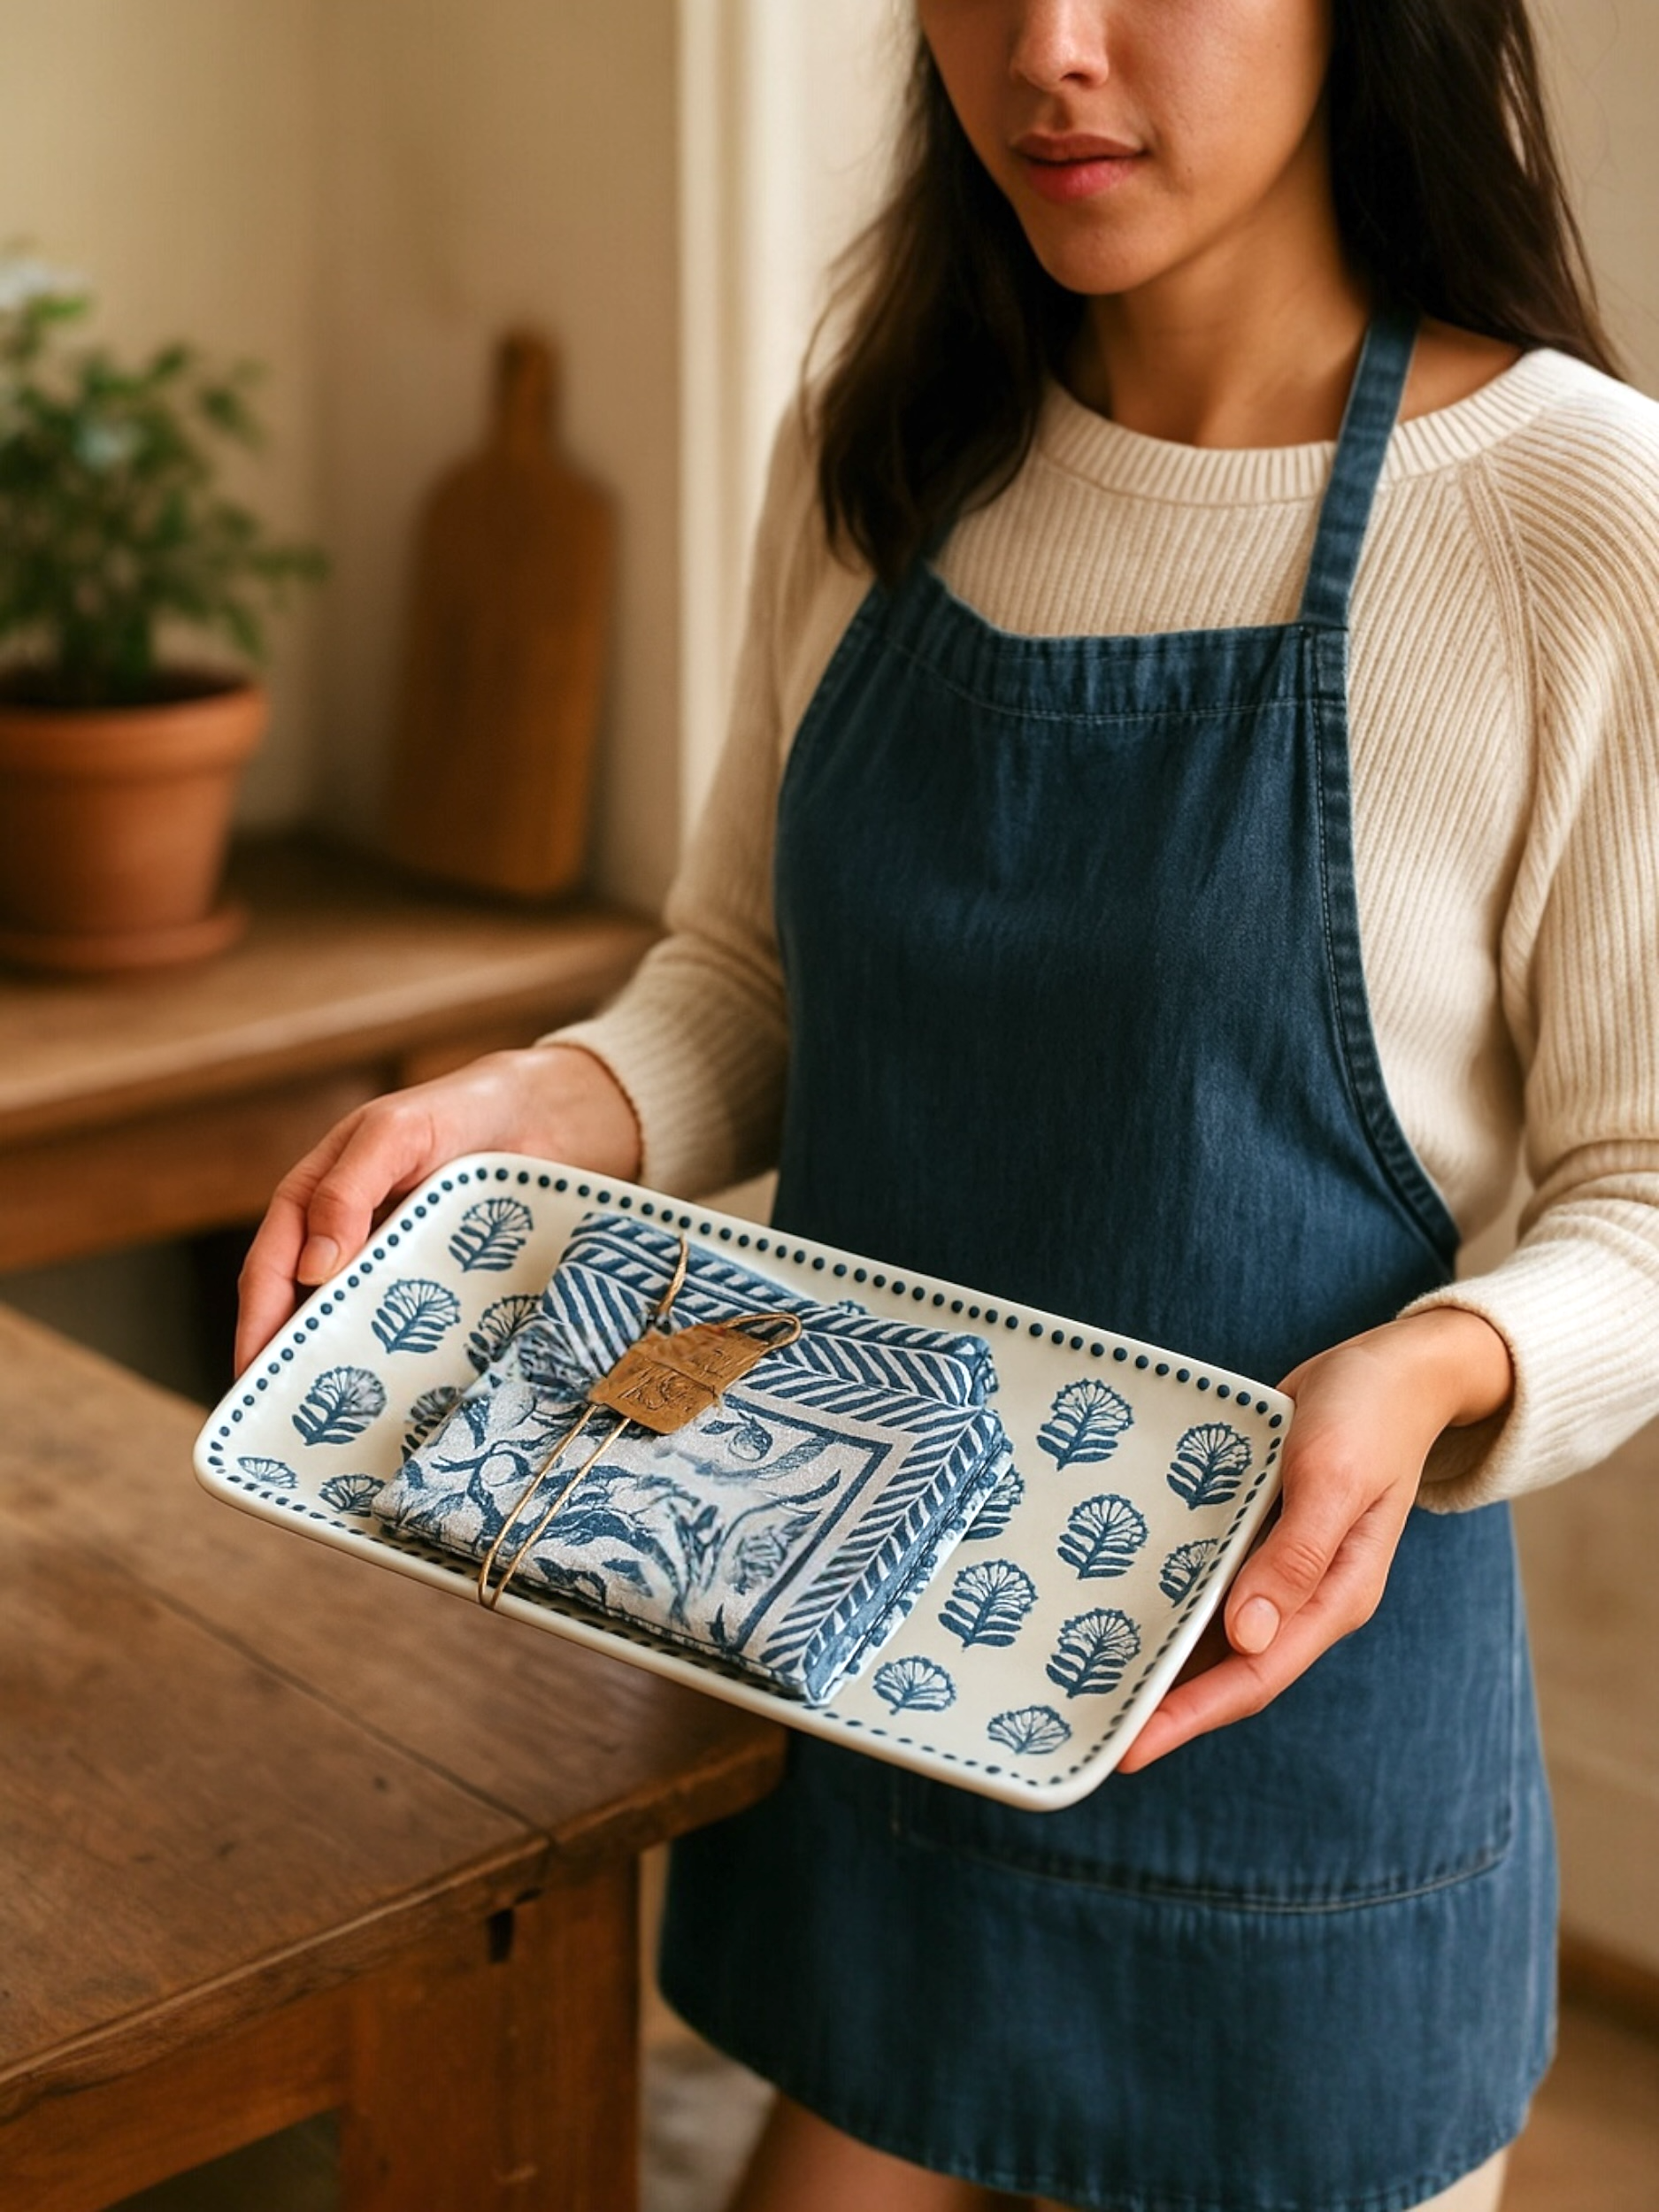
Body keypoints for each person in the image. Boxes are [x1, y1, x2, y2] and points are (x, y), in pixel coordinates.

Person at [237, 4, 1659, 2208]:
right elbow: (746, 985)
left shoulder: (1571, 513)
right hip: (851, 1717)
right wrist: (535, 1095)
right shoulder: (884, 444)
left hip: (1281, 1791)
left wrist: (1436, 1363)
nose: (1049, 50)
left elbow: (1645, 1196)